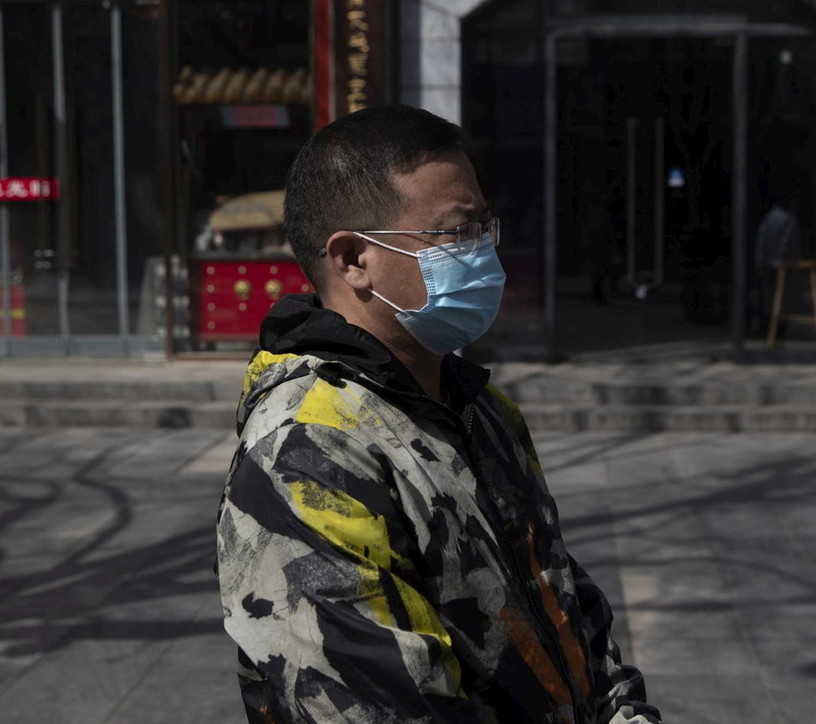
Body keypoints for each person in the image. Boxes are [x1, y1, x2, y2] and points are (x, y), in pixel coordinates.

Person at [215, 105, 662, 724]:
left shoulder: (481, 407)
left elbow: (561, 599)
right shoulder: (306, 452)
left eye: (483, 228)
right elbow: (379, 704)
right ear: (353, 259)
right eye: (455, 233)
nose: (482, 252)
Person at [753, 194, 801, 333]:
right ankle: (777, 329)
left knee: (768, 298)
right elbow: (786, 244)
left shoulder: (768, 219)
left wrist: (760, 262)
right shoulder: (788, 220)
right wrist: (780, 259)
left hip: (767, 264)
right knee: (780, 299)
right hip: (781, 265)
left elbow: (761, 242)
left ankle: (767, 328)